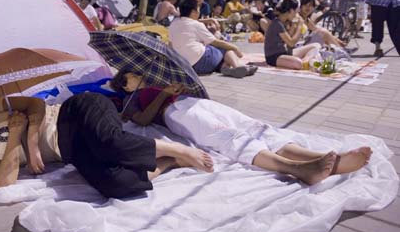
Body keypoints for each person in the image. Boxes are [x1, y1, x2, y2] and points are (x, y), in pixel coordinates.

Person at [0, 94, 214, 199]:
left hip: (75, 111)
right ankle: (169, 162)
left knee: (110, 143)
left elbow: (35, 104)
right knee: (114, 184)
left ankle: (177, 149)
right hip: (72, 150)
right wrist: (14, 136)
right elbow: (2, 181)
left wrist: (30, 136)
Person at [110, 71, 372, 186]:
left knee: (255, 127)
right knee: (229, 137)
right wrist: (162, 95)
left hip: (193, 102)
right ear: (125, 85)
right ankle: (298, 169)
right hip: (175, 113)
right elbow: (142, 121)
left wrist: (178, 89)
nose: (135, 75)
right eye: (128, 77)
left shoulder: (159, 78)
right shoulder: (130, 100)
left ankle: (326, 161)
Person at [169, 0, 256, 78]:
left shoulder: (174, 23)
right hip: (201, 63)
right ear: (193, 12)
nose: (199, 11)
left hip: (185, 66)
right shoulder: (196, 25)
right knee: (224, 47)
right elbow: (215, 42)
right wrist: (235, 48)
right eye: (198, 8)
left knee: (213, 51)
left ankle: (225, 67)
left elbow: (170, 45)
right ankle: (237, 66)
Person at [264, 0, 321, 70]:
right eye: (295, 12)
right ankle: (305, 62)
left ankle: (305, 62)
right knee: (298, 64)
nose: (296, 15)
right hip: (274, 56)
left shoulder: (285, 22)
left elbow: (290, 38)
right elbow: (291, 43)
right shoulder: (277, 24)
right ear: (290, 11)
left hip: (285, 52)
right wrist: (300, 27)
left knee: (316, 46)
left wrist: (294, 26)